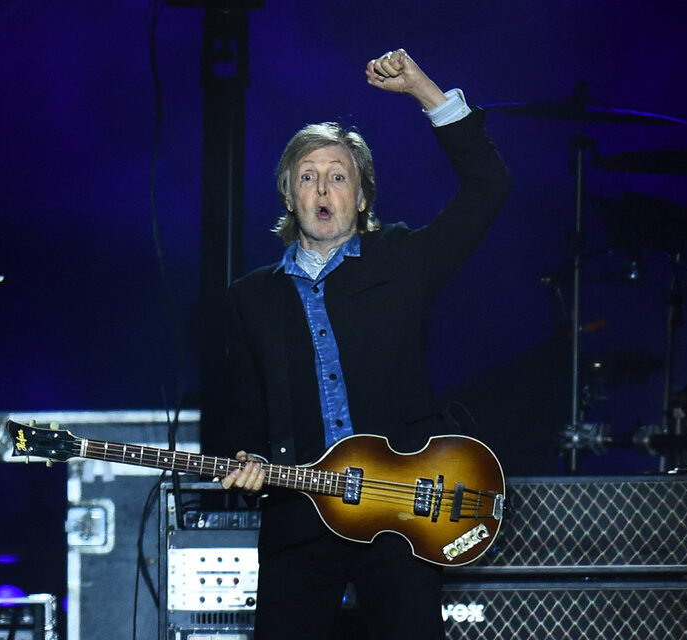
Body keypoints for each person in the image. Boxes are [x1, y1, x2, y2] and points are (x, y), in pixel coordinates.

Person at [216, 49, 510, 639]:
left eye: (338, 175)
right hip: (298, 516)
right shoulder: (250, 298)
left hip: (404, 511)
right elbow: (244, 413)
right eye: (307, 176)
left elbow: (488, 187)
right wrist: (246, 459)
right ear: (288, 195)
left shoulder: (403, 260)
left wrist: (425, 91)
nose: (322, 187)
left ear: (362, 195)